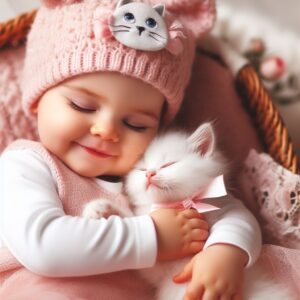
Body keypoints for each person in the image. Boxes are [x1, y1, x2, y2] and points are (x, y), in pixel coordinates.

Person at [0, 0, 261, 299]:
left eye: (136, 124)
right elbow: (43, 245)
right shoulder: (26, 164)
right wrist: (154, 236)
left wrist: (227, 251)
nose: (106, 130)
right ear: (36, 102)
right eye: (81, 106)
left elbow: (229, 211)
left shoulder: (143, 178)